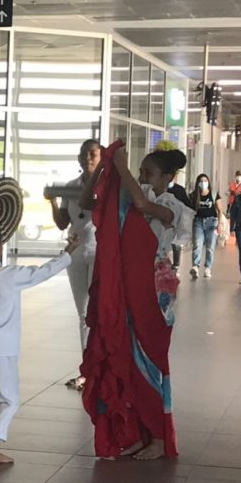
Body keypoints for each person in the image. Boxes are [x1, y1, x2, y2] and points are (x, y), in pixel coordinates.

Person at [78, 142, 192, 461]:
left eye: (149, 173)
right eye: (141, 171)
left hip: (154, 286)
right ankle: (138, 430)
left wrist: (123, 168)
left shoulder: (172, 205)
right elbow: (87, 201)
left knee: (150, 359)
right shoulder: (129, 193)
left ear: (168, 177)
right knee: (128, 354)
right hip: (131, 281)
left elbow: (143, 204)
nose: (142, 177)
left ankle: (157, 434)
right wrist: (103, 169)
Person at [0, 220, 77, 471]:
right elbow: (42, 272)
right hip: (1, 348)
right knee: (10, 399)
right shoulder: (7, 275)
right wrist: (67, 253)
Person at [47, 139, 100, 391]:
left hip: (101, 252)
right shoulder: (70, 188)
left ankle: (102, 368)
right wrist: (53, 201)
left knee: (99, 312)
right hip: (77, 253)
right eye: (84, 154)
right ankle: (87, 369)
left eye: (93, 154)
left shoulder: (108, 187)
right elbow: (61, 223)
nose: (87, 158)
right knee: (84, 312)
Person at [190, 173, 222, 279]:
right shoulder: (194, 195)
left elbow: (220, 209)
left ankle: (208, 268)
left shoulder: (213, 194)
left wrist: (220, 225)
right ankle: (195, 266)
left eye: (205, 181)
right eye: (201, 181)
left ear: (208, 182)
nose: (203, 183)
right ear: (198, 183)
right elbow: (190, 210)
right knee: (197, 244)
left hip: (212, 222)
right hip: (198, 222)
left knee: (210, 247)